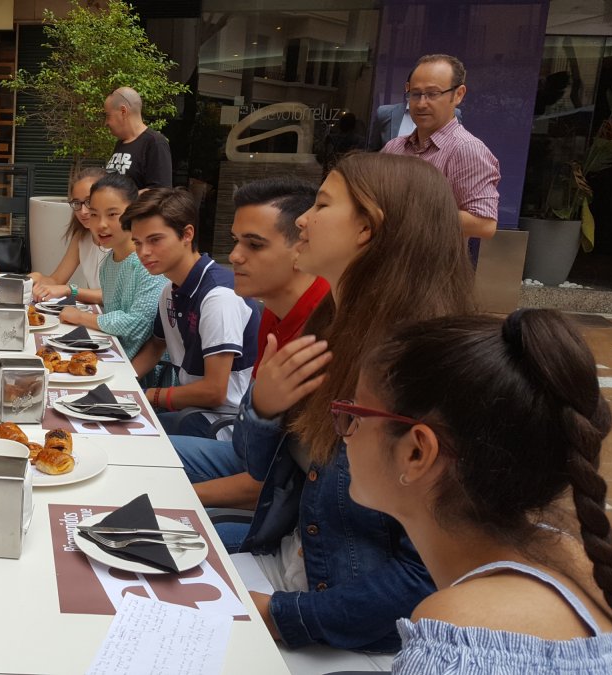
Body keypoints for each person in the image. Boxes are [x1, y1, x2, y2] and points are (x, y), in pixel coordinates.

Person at [236, 152, 476, 652]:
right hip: (281, 568)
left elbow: (428, 577)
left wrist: (280, 615)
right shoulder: (330, 329)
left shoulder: (431, 374)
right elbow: (261, 469)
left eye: (322, 205)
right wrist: (263, 409)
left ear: (368, 229)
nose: (303, 219)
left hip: (340, 629)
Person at [347, 309, 612, 672]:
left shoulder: (456, 641)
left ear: (416, 453)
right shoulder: (571, 552)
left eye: (355, 415)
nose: (344, 434)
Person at [170, 178, 329, 523]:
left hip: (285, 512)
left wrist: (173, 498)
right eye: (236, 241)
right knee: (131, 456)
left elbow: (269, 483)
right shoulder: (272, 308)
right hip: (242, 455)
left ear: (304, 247)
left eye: (254, 245)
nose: (235, 256)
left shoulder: (322, 337)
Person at [128, 187, 260, 439]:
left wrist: (147, 396)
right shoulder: (169, 290)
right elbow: (156, 346)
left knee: (124, 440)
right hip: (192, 412)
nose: (143, 252)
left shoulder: (219, 297)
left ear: (187, 234)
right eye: (137, 242)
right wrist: (125, 383)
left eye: (155, 240)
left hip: (224, 425)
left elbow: (214, 392)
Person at [382, 54, 499, 243]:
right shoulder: (394, 147)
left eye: (433, 94)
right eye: (415, 94)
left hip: (433, 262)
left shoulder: (466, 149)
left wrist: (409, 214)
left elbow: (484, 224)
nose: (421, 103)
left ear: (458, 94)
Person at [59, 173, 166, 356]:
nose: (101, 224)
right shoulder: (108, 263)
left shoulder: (148, 263)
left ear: (133, 213)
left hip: (143, 368)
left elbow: (137, 324)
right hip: (114, 354)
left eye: (112, 214)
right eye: (94, 214)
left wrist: (81, 317)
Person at [31, 167, 107, 306]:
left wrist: (70, 290)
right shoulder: (82, 237)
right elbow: (57, 280)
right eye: (77, 203)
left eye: (89, 202)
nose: (83, 211)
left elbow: (116, 295)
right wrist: (37, 278)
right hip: (97, 313)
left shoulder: (123, 238)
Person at [103, 87, 173, 190]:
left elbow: (161, 190)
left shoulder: (155, 143)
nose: (106, 123)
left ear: (123, 111)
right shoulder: (120, 143)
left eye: (108, 116)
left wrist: (121, 198)